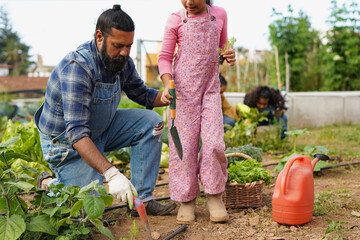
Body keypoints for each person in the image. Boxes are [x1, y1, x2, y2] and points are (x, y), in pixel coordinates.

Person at [34, 5, 176, 215]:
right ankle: (49, 184)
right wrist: (112, 174)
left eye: (129, 45)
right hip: (66, 144)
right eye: (118, 45)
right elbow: (77, 133)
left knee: (151, 123)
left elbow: (142, 94)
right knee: (89, 210)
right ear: (99, 36)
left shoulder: (122, 62)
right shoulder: (78, 67)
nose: (125, 52)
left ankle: (141, 202)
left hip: (100, 130)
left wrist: (166, 96)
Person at [158, 0, 236, 224]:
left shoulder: (219, 15)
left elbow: (224, 47)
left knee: (213, 143)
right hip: (182, 94)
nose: (189, 2)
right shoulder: (176, 19)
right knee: (183, 146)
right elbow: (164, 58)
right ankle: (187, 200)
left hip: (210, 91)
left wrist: (229, 54)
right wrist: (167, 84)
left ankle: (214, 196)